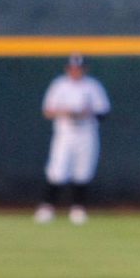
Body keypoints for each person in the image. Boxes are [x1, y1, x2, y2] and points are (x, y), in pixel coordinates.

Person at [34, 54, 111, 225]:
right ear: (67, 69)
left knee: (83, 171)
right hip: (65, 133)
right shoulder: (59, 85)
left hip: (87, 133)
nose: (76, 71)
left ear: (85, 69)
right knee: (57, 170)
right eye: (73, 68)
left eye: (79, 68)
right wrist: (66, 112)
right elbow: (47, 111)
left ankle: (78, 209)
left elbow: (103, 112)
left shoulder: (92, 86)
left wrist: (85, 112)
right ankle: (47, 208)